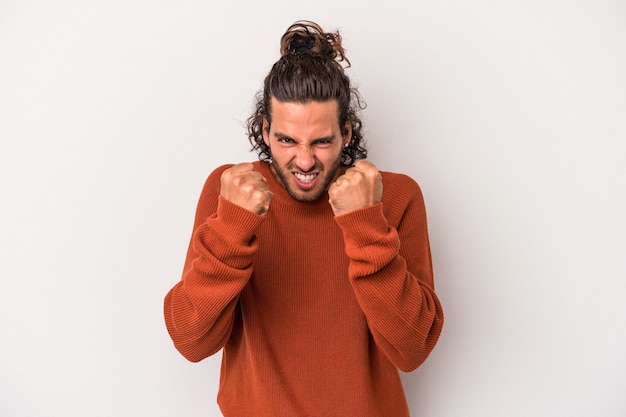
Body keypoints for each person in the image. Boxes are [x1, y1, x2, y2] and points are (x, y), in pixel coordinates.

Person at [164, 20, 444, 417]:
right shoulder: (230, 192)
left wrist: (365, 225)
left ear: (346, 132)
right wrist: (231, 228)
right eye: (287, 140)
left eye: (322, 141)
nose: (306, 160)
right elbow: (192, 341)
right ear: (265, 130)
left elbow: (413, 349)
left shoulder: (395, 197)